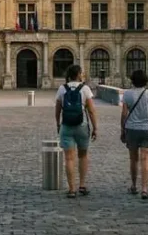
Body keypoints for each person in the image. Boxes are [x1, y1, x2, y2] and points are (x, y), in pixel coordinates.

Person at [55, 64, 99, 198]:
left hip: (66, 125)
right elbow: (91, 110)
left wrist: (58, 124)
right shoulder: (85, 89)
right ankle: (82, 185)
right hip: (82, 125)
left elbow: (57, 110)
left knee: (69, 158)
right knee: (83, 156)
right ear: (79, 74)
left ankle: (71, 189)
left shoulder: (62, 88)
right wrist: (95, 127)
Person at [121, 69, 148, 199]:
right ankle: (144, 188)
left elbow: (124, 114)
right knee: (146, 159)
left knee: (133, 159)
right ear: (146, 81)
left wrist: (122, 129)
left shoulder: (127, 94)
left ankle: (133, 185)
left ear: (132, 80)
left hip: (132, 128)